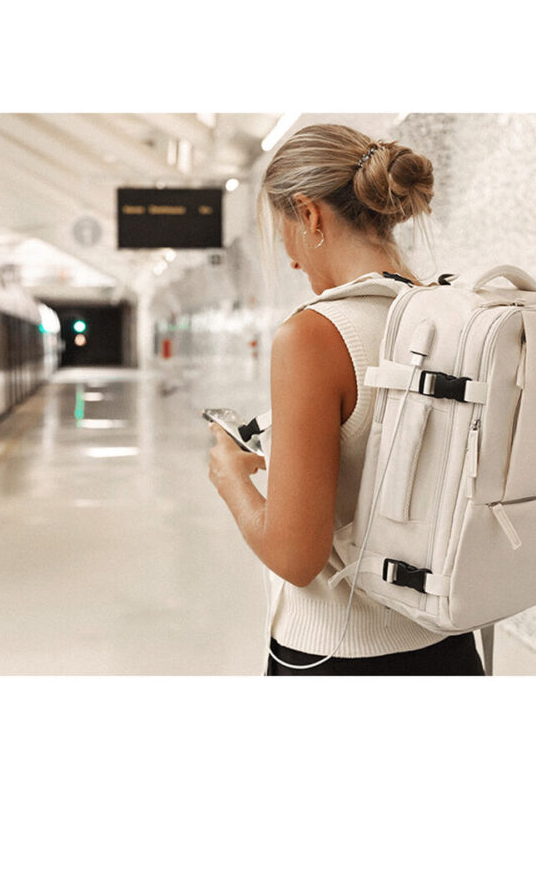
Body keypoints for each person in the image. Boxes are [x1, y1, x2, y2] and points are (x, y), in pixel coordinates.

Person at [207, 123, 484, 676]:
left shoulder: (313, 336)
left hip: (337, 657)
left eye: (284, 232)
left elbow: (296, 557)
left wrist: (230, 478)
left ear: (309, 215)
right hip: (450, 647)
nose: (290, 258)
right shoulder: (457, 319)